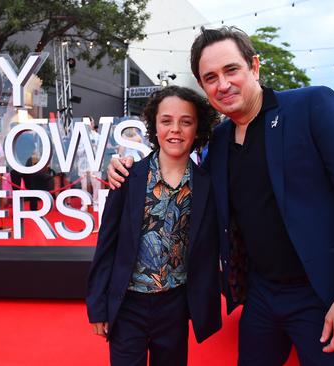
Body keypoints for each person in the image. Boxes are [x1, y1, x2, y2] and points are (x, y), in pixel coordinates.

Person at [108, 26, 334, 366]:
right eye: (210, 77)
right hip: (260, 297)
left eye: (231, 70)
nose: (223, 84)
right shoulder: (220, 141)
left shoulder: (311, 107)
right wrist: (125, 167)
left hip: (323, 296)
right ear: (203, 85)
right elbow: (180, 175)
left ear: (254, 67)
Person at [87, 86, 222, 366]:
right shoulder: (127, 176)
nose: (175, 129)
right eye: (166, 121)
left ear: (198, 129)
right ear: (154, 127)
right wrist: (98, 307)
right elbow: (107, 245)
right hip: (128, 305)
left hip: (175, 305)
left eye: (186, 121)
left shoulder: (208, 185)